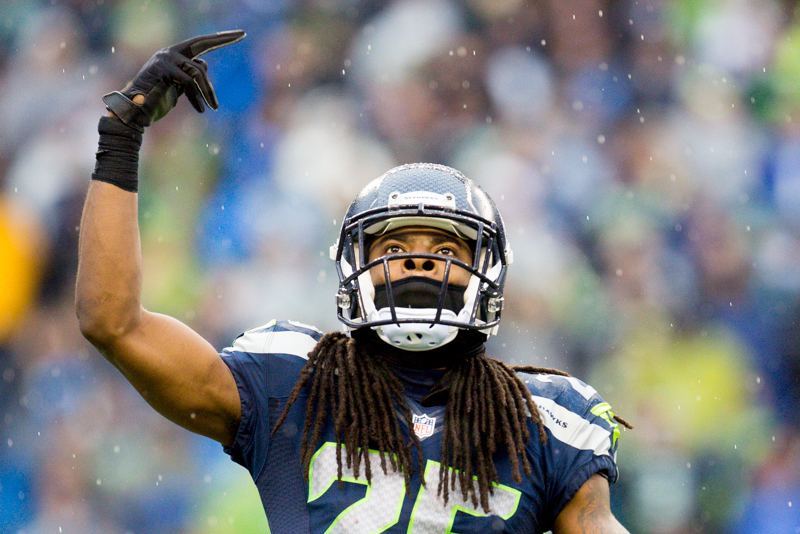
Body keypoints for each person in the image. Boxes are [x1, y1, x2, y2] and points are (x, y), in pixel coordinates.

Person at [76, 31, 633, 534]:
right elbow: (113, 323)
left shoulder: (546, 420)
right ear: (353, 265)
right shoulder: (295, 383)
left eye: (444, 249)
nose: (419, 263)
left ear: (486, 272)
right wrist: (120, 142)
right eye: (394, 248)